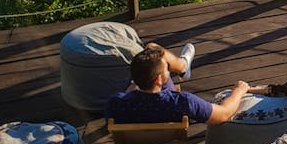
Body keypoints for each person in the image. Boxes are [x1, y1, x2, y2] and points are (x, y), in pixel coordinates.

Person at [106, 42, 249, 125]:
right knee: (153, 47)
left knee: (151, 49)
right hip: (168, 133)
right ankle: (183, 66)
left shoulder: (116, 103)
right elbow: (223, 115)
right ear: (159, 80)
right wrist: (239, 91)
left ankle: (183, 66)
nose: (168, 71)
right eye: (166, 69)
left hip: (135, 137)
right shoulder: (182, 102)